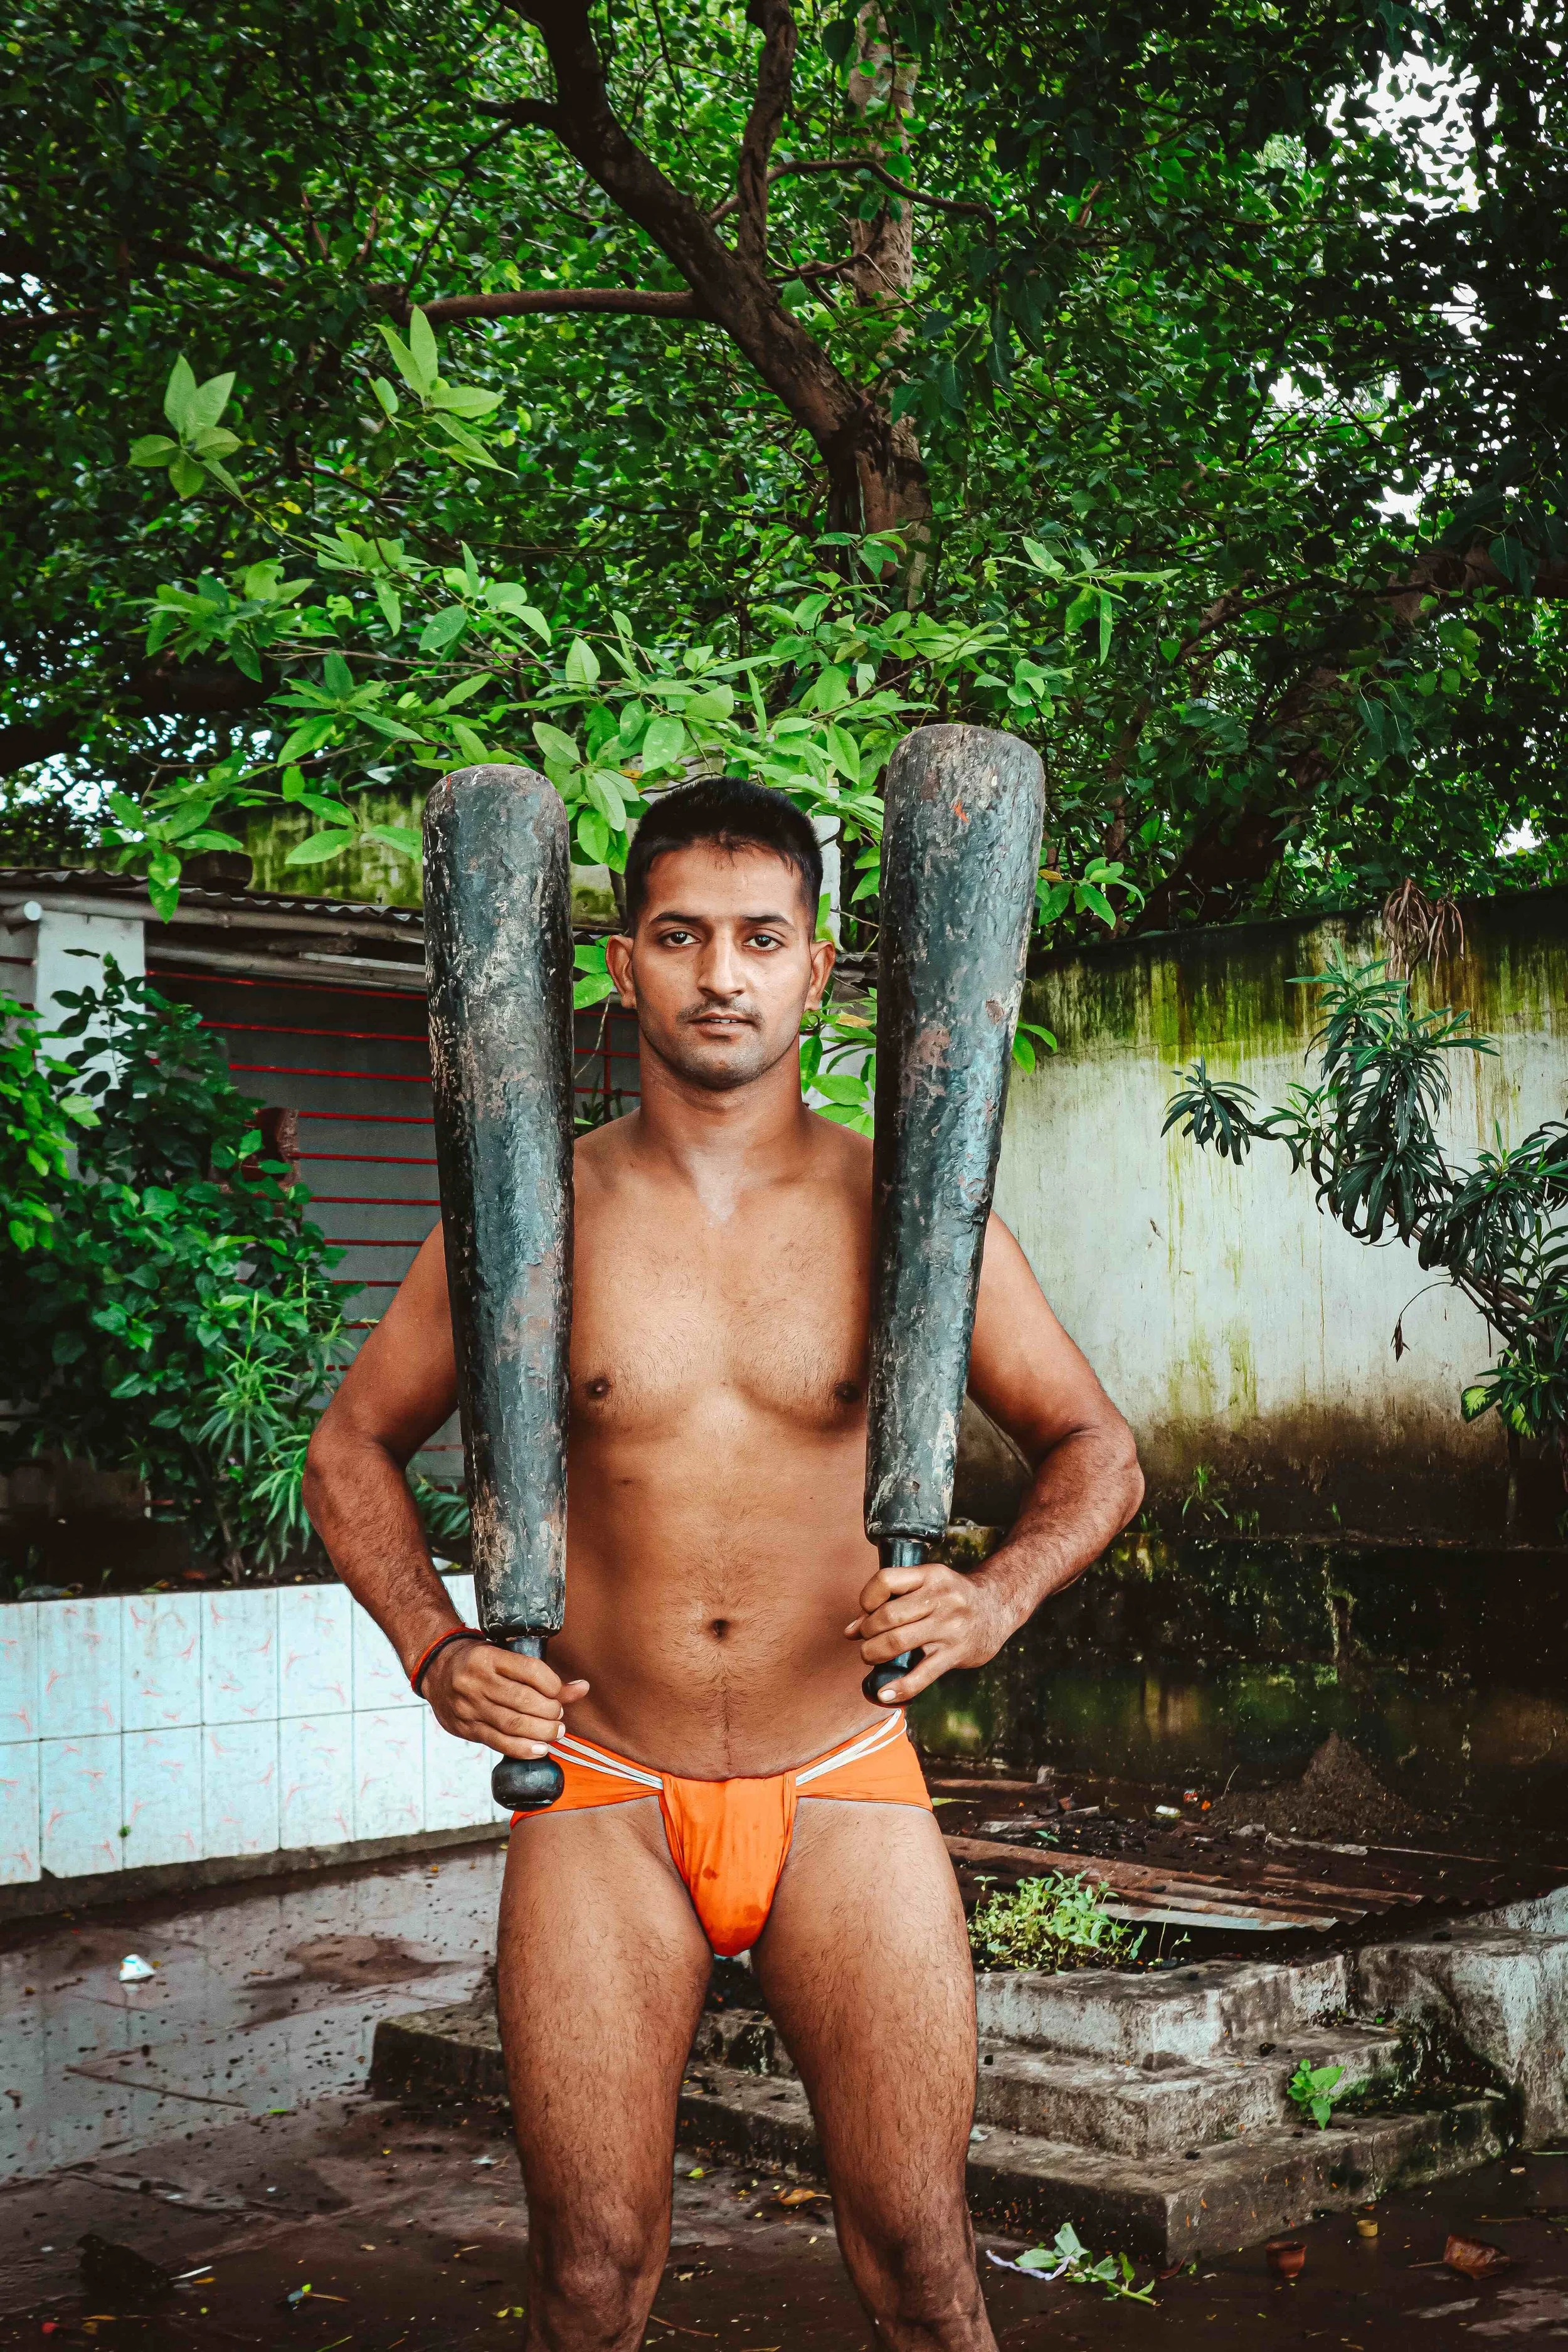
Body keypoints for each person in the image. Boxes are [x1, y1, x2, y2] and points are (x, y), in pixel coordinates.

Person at [304, 775, 1143, 2352]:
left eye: (763, 937)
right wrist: (434, 1649)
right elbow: (348, 1449)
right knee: (590, 2271)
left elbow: (1096, 1449)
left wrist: (993, 1594)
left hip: (845, 1779)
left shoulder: (911, 1210)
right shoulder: (528, 1211)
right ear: (620, 963)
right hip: (603, 1792)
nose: (721, 974)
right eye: (681, 935)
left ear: (818, 971)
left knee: (917, 2253)